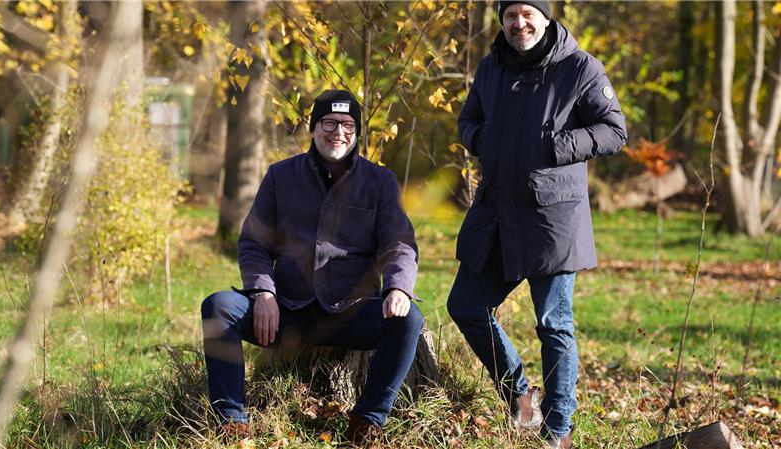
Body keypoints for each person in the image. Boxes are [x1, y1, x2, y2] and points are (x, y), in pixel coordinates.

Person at [447, 2, 627, 448]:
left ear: (545, 17)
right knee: (466, 305)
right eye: (511, 15)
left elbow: (614, 130)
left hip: (552, 218)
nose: (518, 23)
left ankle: (559, 428)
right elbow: (467, 120)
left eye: (528, 13)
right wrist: (482, 139)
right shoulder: (491, 68)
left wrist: (559, 145)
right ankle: (520, 395)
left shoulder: (579, 67)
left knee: (553, 323)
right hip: (496, 215)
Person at [201, 90, 422, 445]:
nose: (339, 132)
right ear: (314, 127)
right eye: (329, 123)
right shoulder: (280, 176)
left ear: (357, 131)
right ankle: (232, 421)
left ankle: (367, 421)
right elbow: (254, 244)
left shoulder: (379, 182)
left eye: (348, 125)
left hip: (351, 313)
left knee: (410, 320)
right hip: (288, 311)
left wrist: (398, 287)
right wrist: (263, 292)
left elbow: (399, 244)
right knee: (218, 307)